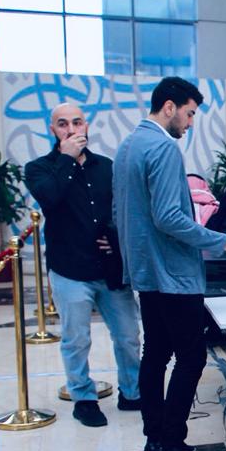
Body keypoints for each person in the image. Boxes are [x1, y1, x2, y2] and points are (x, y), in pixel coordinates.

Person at [114, 76, 226, 451]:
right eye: (190, 114)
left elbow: (124, 212)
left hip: (146, 270)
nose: (191, 123)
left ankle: (155, 444)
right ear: (170, 107)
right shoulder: (162, 147)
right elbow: (169, 217)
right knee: (191, 357)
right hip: (173, 273)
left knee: (155, 354)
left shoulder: (128, 145)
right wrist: (222, 240)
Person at [24, 103, 141, 428]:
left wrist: (115, 240)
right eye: (63, 124)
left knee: (129, 336)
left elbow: (122, 210)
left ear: (86, 126)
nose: (72, 129)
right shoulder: (40, 168)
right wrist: (66, 158)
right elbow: (49, 198)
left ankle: (132, 392)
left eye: (77, 122)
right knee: (76, 339)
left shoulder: (106, 166)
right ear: (53, 130)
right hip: (70, 268)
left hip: (109, 269)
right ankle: (84, 398)